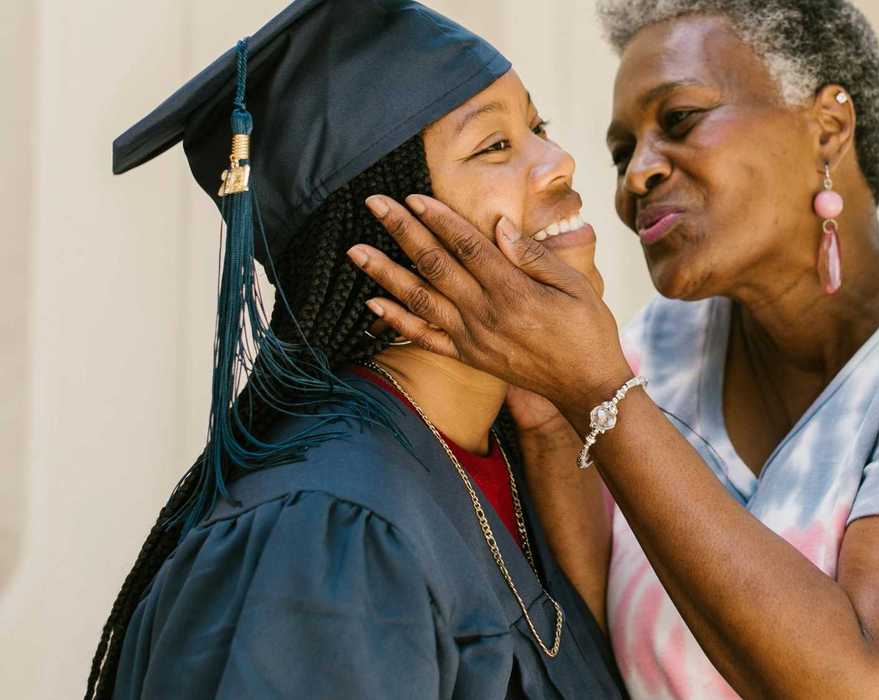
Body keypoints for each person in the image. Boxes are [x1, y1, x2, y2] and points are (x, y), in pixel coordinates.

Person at [350, 0, 879, 697]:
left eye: (678, 120)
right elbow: (600, 663)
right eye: (620, 151)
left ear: (827, 127)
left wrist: (594, 388)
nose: (634, 174)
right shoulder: (652, 360)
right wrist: (547, 412)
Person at [85, 1, 623, 698]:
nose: (560, 161)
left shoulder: (510, 461)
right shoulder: (323, 531)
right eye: (495, 145)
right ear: (381, 234)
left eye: (537, 127)